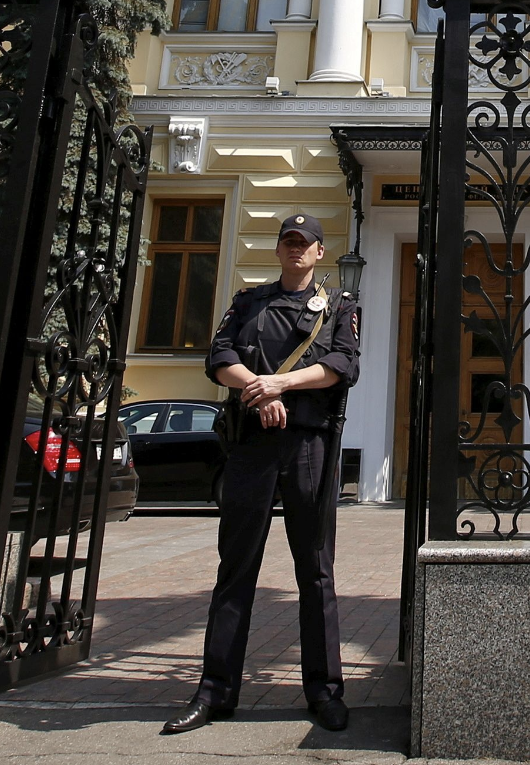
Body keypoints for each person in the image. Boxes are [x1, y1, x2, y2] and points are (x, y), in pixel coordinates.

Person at [162, 212, 361, 736]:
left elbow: (343, 365)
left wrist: (282, 386)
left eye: (306, 243)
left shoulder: (340, 306)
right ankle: (215, 692)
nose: (296, 249)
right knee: (236, 567)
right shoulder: (248, 302)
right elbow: (220, 356)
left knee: (315, 571)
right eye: (288, 241)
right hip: (252, 446)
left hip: (310, 447)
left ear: (320, 252)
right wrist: (258, 388)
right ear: (278, 249)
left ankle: (325, 692)